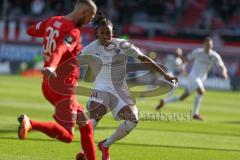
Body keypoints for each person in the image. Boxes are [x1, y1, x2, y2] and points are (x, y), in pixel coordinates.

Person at [78, 14, 177, 160]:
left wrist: (164, 74)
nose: (106, 36)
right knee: (95, 114)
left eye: (109, 33)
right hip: (101, 88)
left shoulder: (123, 45)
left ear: (113, 33)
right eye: (103, 33)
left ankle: (105, 145)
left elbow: (144, 58)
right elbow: (73, 62)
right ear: (96, 33)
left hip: (120, 89)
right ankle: (84, 151)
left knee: (132, 120)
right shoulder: (91, 48)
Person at [17, 1, 97, 160]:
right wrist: (53, 66)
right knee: (68, 135)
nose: (90, 21)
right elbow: (61, 48)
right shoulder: (73, 31)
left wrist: (48, 31)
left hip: (48, 85)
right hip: (63, 88)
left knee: (85, 125)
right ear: (83, 13)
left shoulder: (52, 21)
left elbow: (31, 30)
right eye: (91, 16)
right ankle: (31, 123)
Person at [156, 37, 228, 120]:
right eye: (207, 44)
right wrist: (183, 67)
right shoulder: (198, 52)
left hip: (202, 78)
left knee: (183, 97)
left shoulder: (214, 55)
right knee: (201, 91)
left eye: (209, 45)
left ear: (212, 46)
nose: (208, 46)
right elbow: (186, 59)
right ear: (204, 44)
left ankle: (164, 101)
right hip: (193, 76)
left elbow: (221, 65)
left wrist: (224, 73)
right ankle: (196, 113)